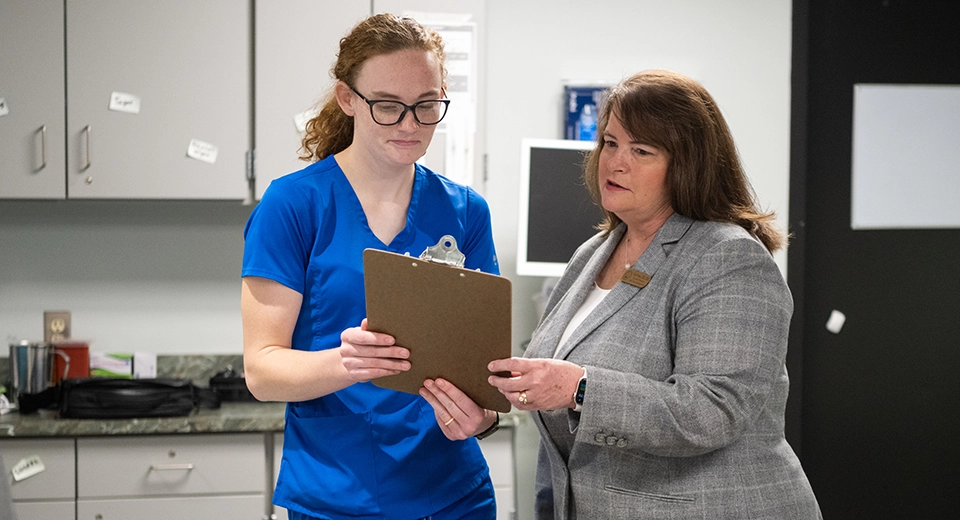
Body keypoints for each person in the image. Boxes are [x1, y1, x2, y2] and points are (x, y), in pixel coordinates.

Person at [488, 69, 822, 519]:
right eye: (610, 143)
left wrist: (579, 388)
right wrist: (492, 408)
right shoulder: (592, 253)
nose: (616, 162)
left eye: (641, 150)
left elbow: (712, 409)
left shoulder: (728, 257)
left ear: (687, 164)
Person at [241, 14, 500, 520]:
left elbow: (481, 365)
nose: (410, 125)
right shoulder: (293, 205)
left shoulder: (466, 211)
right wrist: (349, 362)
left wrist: (482, 416)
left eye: (427, 106)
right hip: (337, 495)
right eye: (388, 106)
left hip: (454, 495)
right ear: (347, 99)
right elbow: (262, 370)